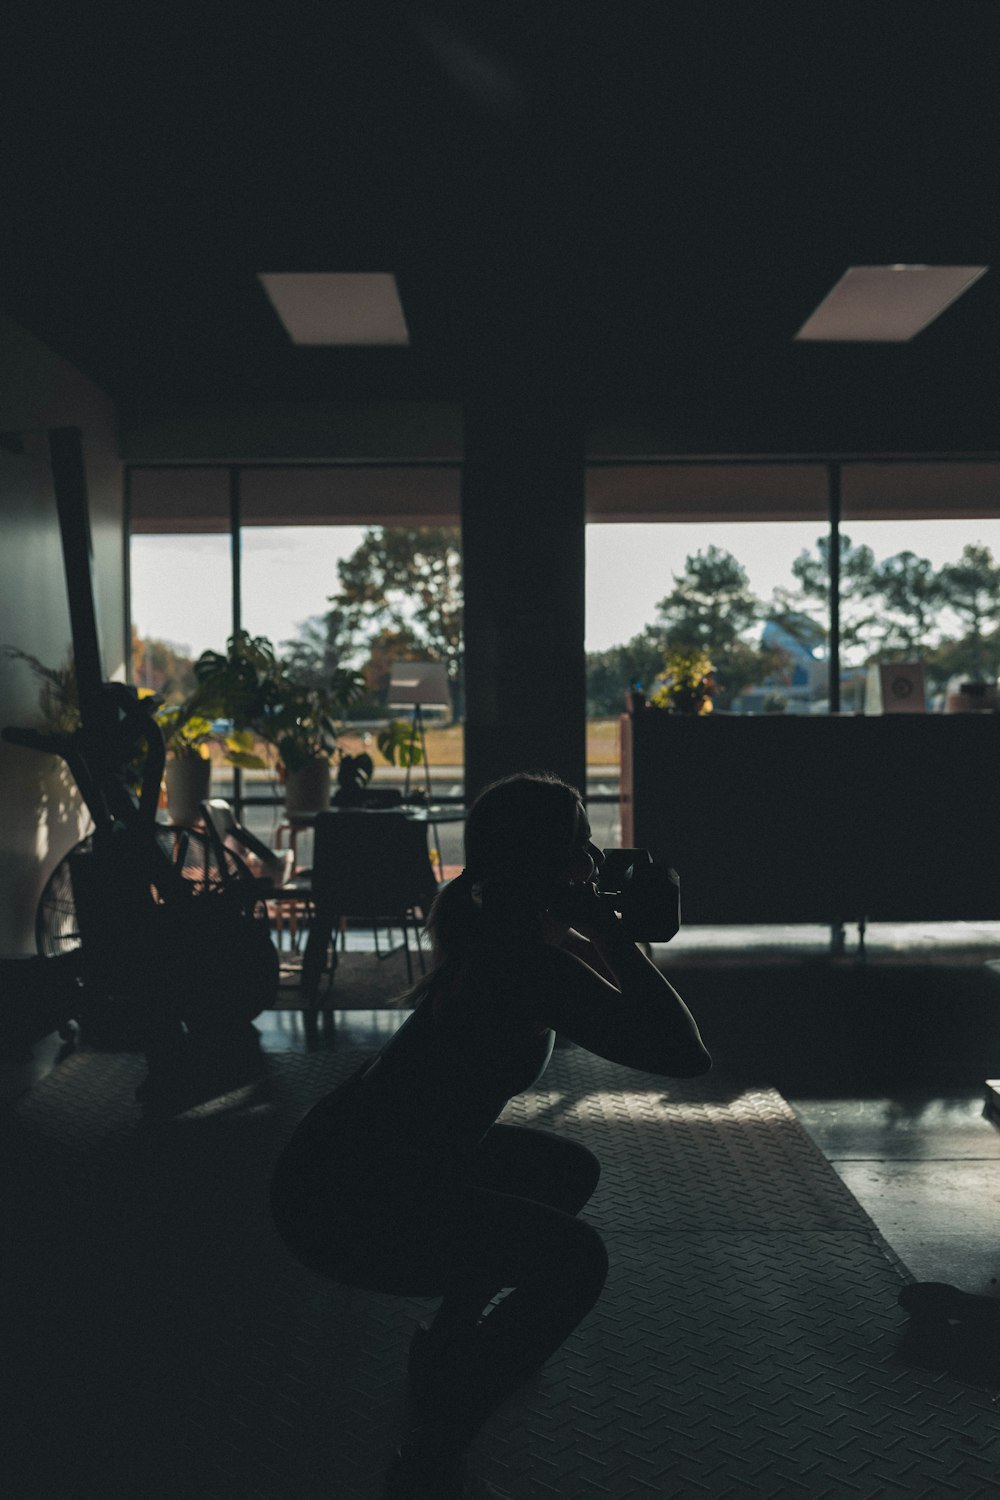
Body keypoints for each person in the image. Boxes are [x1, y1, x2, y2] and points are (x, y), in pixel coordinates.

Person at [269, 772, 711, 1499]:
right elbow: (683, 1054)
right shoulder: (523, 961)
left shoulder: (502, 925)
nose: (596, 854)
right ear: (548, 862)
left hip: (350, 1163)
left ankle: (446, 1350)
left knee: (564, 1171)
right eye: (580, 841)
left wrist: (609, 924)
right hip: (344, 1201)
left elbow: (629, 1001)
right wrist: (613, 930)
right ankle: (432, 1455)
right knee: (575, 1262)